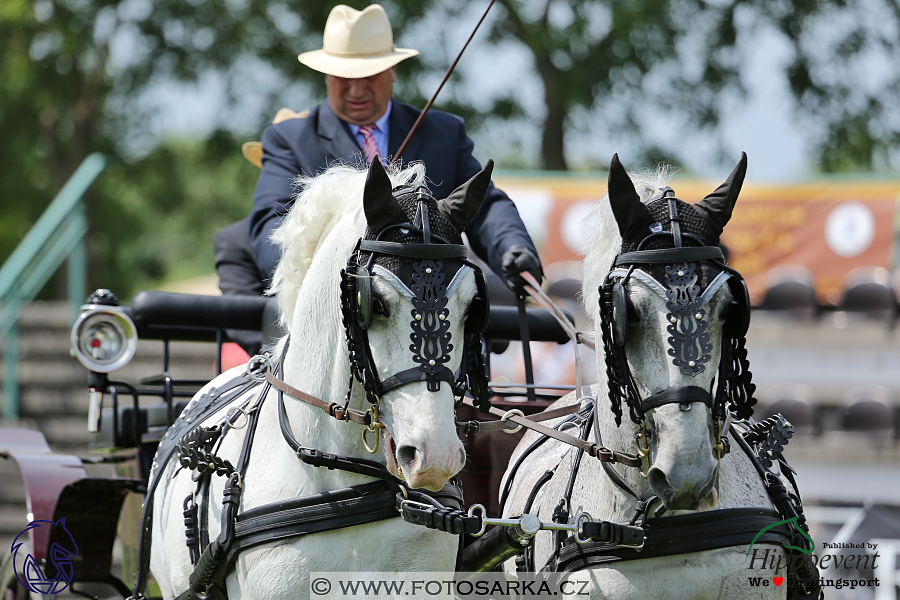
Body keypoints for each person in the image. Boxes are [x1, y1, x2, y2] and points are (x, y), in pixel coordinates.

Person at [247, 3, 542, 294]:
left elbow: (485, 205)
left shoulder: (445, 134)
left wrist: (513, 249)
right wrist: (315, 282)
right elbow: (270, 229)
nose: (356, 89)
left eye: (369, 75)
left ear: (393, 71)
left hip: (433, 303)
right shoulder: (290, 139)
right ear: (326, 75)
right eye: (343, 77)